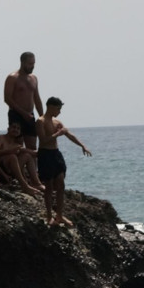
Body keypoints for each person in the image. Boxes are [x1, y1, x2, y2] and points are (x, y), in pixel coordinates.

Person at [36, 97, 92, 227]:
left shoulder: (57, 122)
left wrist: (82, 145)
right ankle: (49, 217)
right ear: (50, 107)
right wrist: (58, 134)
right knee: (49, 187)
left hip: (56, 154)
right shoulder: (40, 121)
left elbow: (68, 134)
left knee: (60, 185)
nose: (59, 112)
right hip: (45, 154)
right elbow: (43, 140)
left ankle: (60, 216)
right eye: (58, 109)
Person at [4, 52, 43, 150]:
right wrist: (23, 113)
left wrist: (42, 117)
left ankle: (32, 161)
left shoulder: (34, 78)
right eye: (30, 64)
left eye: (33, 63)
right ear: (22, 62)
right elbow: (7, 98)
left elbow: (37, 99)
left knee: (32, 146)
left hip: (30, 116)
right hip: (16, 115)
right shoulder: (12, 77)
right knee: (17, 146)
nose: (32, 66)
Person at [0, 122, 42, 195]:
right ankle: (25, 186)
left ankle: (37, 183)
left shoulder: (16, 145)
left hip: (10, 172)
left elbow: (33, 153)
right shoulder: (0, 138)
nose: (16, 130)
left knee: (27, 156)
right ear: (8, 129)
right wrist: (9, 151)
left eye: (18, 129)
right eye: (14, 127)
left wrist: (46, 150)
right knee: (12, 157)